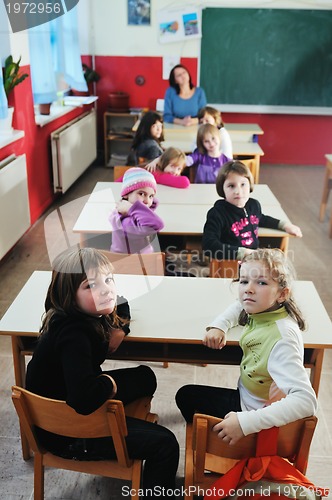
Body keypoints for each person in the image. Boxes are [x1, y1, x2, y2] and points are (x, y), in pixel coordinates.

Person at [26, 247, 179, 495]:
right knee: (166, 444)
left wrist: (120, 330)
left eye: (109, 280)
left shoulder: (74, 312)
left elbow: (121, 301)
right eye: (91, 285)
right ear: (68, 295)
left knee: (145, 377)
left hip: (69, 400)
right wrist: (111, 384)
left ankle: (124, 421)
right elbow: (83, 400)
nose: (106, 289)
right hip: (67, 432)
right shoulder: (74, 335)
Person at [175, 248, 317, 445]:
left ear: (282, 294)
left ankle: (219, 446)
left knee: (185, 396)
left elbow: (306, 402)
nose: (249, 289)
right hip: (250, 400)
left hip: (254, 416)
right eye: (244, 281)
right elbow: (240, 305)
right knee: (188, 395)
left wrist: (245, 422)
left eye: (261, 282)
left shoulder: (282, 339)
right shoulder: (266, 307)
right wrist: (220, 325)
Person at [202, 160, 303, 260]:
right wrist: (244, 253)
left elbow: (261, 219)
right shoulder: (217, 213)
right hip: (230, 262)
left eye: (243, 184)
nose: (238, 191)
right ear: (222, 189)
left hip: (253, 259)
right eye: (231, 186)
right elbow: (208, 245)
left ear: (250, 185)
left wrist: (285, 225)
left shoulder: (253, 205)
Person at [109, 167, 164, 254]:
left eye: (151, 196)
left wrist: (135, 207)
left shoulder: (128, 209)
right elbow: (156, 225)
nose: (147, 201)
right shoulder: (123, 221)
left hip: (137, 260)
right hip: (136, 263)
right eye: (141, 194)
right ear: (126, 194)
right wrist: (132, 208)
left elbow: (146, 211)